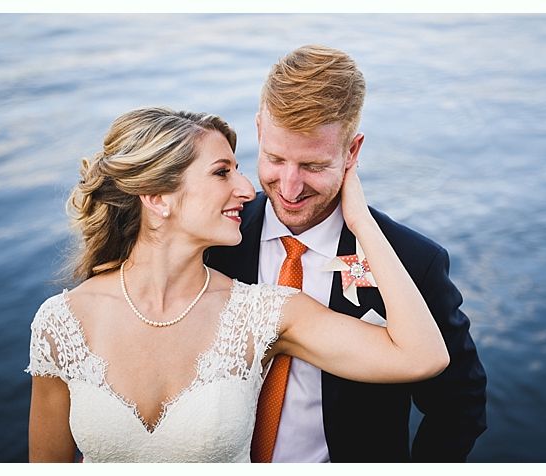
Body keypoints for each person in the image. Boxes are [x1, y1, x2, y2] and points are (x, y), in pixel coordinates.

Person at [26, 106, 450, 463]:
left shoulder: (265, 311)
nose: (248, 190)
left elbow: (421, 357)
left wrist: (359, 220)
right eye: (221, 172)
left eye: (239, 170)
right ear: (158, 198)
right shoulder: (61, 323)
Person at [205, 45, 488, 462]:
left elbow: (459, 402)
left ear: (352, 151)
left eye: (313, 166)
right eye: (275, 158)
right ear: (259, 130)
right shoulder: (214, 238)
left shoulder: (413, 260)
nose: (289, 186)